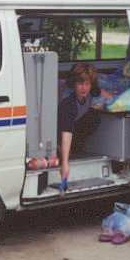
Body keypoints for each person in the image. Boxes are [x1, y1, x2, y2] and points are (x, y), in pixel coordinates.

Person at [57, 63, 101, 193]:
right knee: (65, 143)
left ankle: (71, 148)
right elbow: (67, 131)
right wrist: (65, 163)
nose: (84, 88)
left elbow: (100, 92)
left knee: (94, 118)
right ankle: (61, 148)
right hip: (59, 129)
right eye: (80, 84)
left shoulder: (91, 90)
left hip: (73, 124)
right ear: (73, 84)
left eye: (87, 84)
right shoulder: (68, 103)